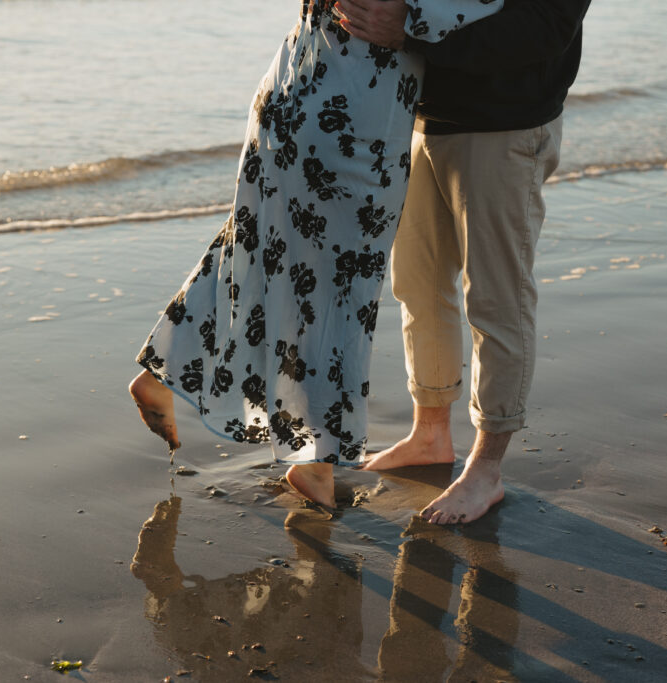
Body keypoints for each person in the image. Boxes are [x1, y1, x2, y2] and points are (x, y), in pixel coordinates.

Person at [129, 0, 504, 509]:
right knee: (338, 284)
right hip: (351, 117)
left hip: (289, 87)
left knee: (259, 248)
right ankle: (317, 459)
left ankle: (163, 372)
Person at [337, 0, 591, 524]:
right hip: (420, 116)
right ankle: (429, 434)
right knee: (418, 285)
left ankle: (485, 471)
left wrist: (408, 30)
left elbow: (546, 28)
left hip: (507, 125)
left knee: (497, 300)